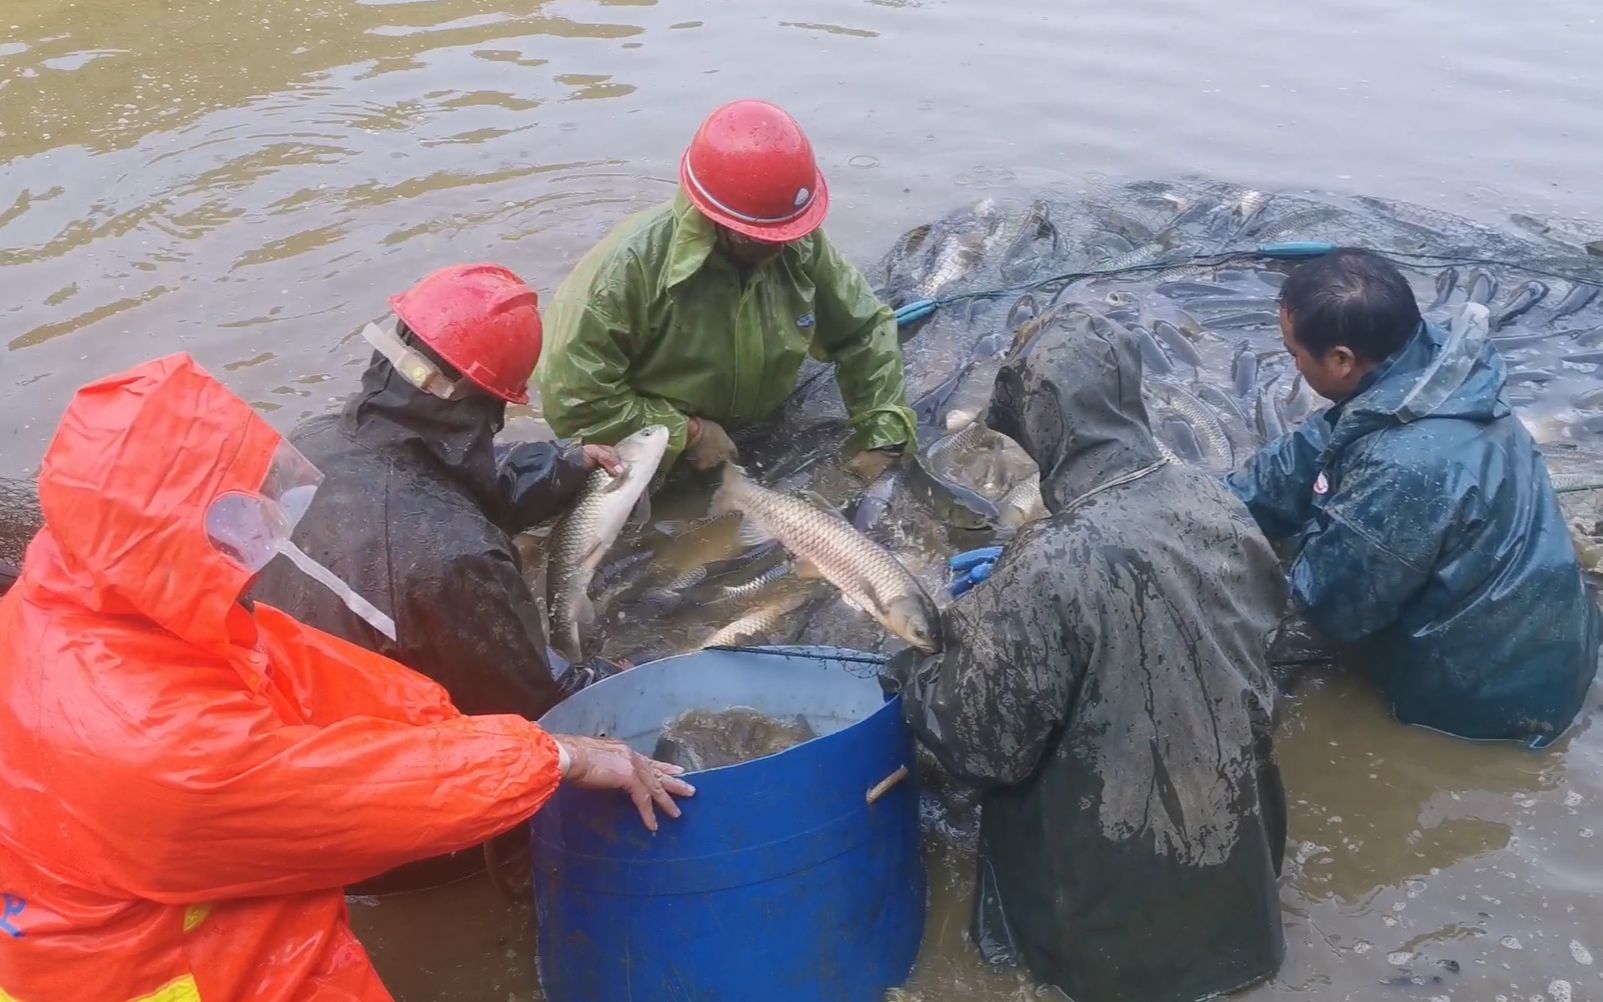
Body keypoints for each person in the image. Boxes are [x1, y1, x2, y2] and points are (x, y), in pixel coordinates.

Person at [0, 353, 691, 1002]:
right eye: (235, 517)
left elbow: (309, 671)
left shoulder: (86, 599)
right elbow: (345, 799)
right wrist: (552, 756)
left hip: (136, 894)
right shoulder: (155, 747)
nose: (261, 534)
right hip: (156, 975)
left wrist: (458, 728)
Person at [888, 311, 1289, 1002]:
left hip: (1107, 926)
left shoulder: (1049, 562)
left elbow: (983, 747)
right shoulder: (1213, 502)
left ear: (1044, 426)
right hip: (1242, 882)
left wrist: (916, 666)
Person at [1228, 248, 1600, 747]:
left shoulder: (1403, 465)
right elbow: (1308, 453)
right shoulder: (1436, 371)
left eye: (1295, 354)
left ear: (1341, 360)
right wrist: (1209, 503)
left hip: (1490, 704)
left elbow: (1334, 607)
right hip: (1554, 647)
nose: (1293, 367)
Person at [252, 263, 620, 723]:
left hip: (274, 691)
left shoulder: (309, 442)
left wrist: (563, 466)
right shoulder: (457, 557)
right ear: (495, 401)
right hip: (372, 741)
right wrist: (620, 675)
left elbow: (441, 482)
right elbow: (532, 699)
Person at [536, 99, 918, 476]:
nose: (780, 246)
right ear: (715, 219)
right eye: (762, 237)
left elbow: (864, 331)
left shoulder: (799, 244)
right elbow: (575, 401)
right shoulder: (627, 271)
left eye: (788, 232)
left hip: (761, 426)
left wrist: (882, 439)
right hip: (655, 450)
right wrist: (687, 434)